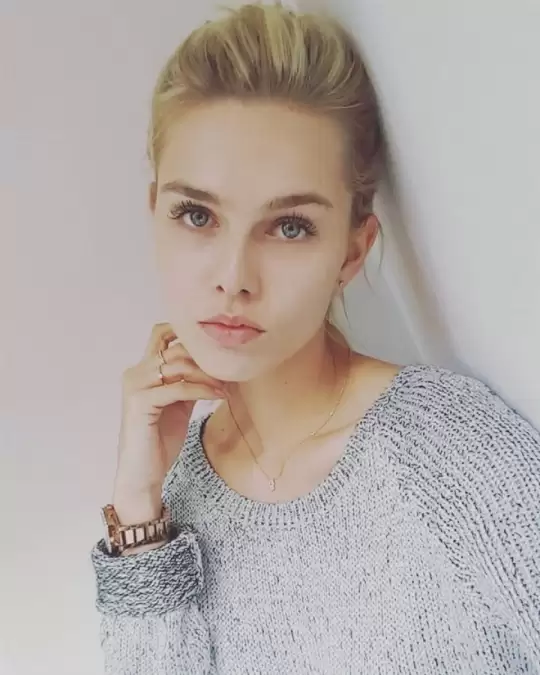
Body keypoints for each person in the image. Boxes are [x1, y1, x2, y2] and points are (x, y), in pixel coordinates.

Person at [90, 3, 540, 674]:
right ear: (155, 212)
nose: (233, 277)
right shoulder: (175, 497)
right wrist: (138, 513)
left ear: (351, 253)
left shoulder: (449, 450)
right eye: (197, 215)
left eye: (290, 227)